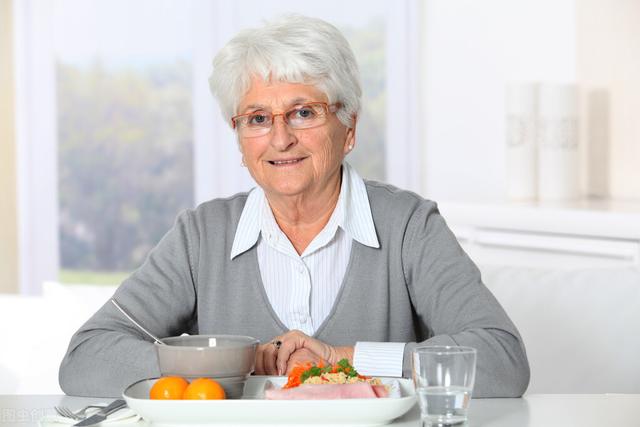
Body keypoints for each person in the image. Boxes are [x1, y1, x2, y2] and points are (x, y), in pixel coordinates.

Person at [59, 14, 529, 398]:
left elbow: (501, 362)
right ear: (240, 140)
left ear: (348, 128)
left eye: (304, 112)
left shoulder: (409, 226)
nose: (281, 138)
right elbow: (86, 358)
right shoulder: (201, 236)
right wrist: (233, 362)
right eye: (258, 119)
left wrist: (341, 358)